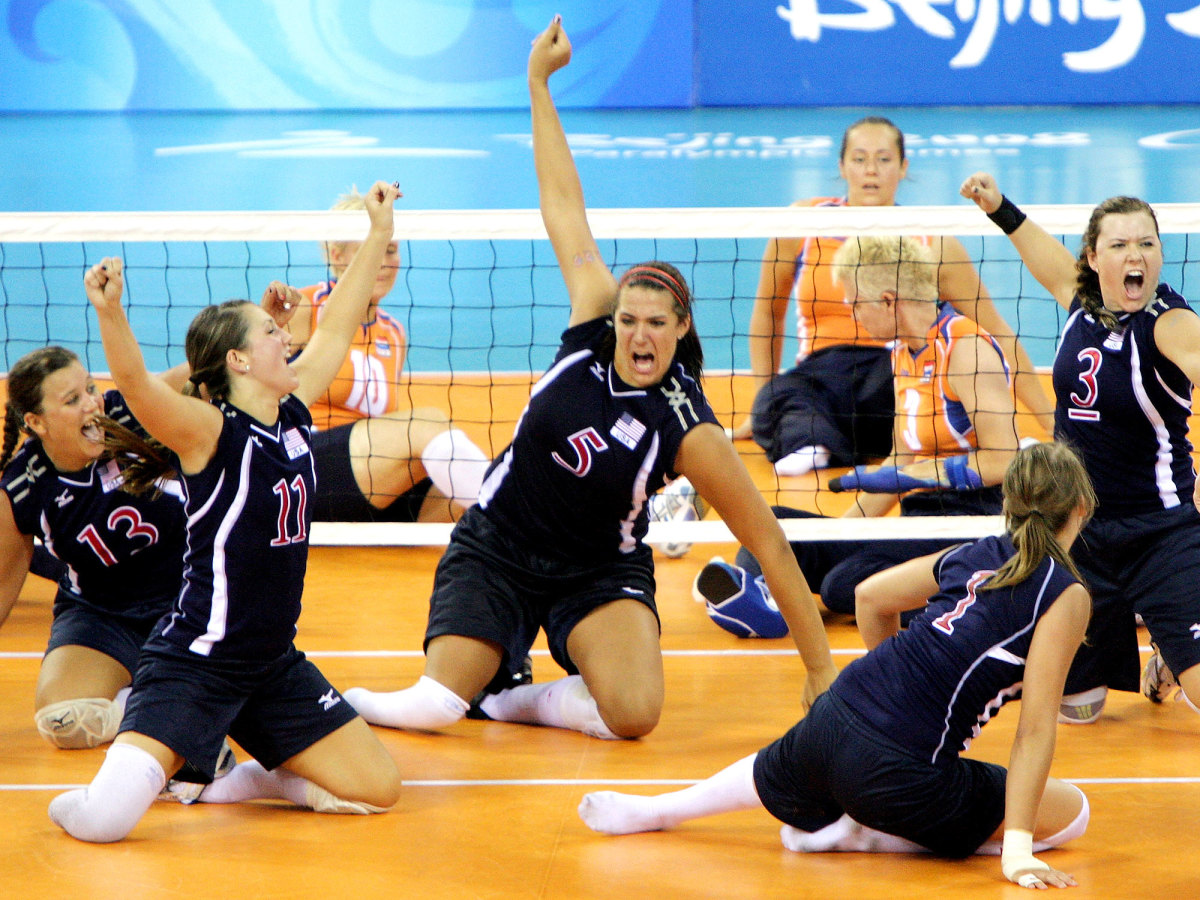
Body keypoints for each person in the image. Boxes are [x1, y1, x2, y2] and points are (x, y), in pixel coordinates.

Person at [340, 17, 838, 742]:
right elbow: (563, 206)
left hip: (598, 571)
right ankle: (422, 686)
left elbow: (765, 537)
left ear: (681, 331)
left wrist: (821, 667)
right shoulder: (590, 324)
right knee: (433, 708)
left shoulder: (687, 426)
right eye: (630, 319)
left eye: (656, 324)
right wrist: (539, 85)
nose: (638, 334)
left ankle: (516, 699)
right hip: (498, 544)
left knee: (634, 715)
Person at [48, 181, 404, 844]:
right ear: (239, 359)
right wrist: (110, 313)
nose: (287, 334)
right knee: (102, 824)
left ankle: (223, 777)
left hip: (271, 662)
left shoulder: (291, 415)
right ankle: (141, 760)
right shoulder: (211, 432)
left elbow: (336, 321)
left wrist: (378, 232)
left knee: (378, 790)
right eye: (272, 332)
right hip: (196, 660)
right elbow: (137, 389)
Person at [581, 441, 1095, 891]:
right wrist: (1019, 849)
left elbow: (870, 598)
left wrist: (892, 691)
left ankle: (659, 809)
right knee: (1073, 814)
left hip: (835, 712)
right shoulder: (1065, 594)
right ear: (1080, 507)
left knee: (777, 767)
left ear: (1008, 503)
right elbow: (1033, 732)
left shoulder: (975, 552)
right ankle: (868, 835)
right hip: (896, 778)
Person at [961, 172, 1200, 725]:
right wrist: (999, 207)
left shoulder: (1170, 324)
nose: (1134, 255)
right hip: (1079, 533)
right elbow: (1044, 257)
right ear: (1094, 258)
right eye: (1118, 245)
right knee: (1078, 708)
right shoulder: (1081, 303)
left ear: (1160, 252)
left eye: (1146, 243)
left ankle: (1171, 649)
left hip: (1159, 528)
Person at [695, 234, 1019, 628]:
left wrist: (924, 474)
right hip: (917, 522)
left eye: (855, 302)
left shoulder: (966, 349)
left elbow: (1007, 461)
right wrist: (843, 531)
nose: (852, 314)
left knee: (841, 586)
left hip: (970, 526)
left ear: (887, 300)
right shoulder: (903, 353)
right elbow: (901, 460)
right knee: (776, 526)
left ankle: (980, 595)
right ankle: (760, 600)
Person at [735, 116, 1052, 478]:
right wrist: (762, 401)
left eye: (884, 159)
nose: (871, 170)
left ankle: (1001, 443)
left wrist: (1050, 422)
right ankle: (812, 443)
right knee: (780, 397)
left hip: (893, 374)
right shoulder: (801, 224)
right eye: (859, 159)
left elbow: (996, 332)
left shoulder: (934, 243)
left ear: (903, 167)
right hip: (820, 376)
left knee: (928, 406)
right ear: (841, 167)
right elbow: (767, 314)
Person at [0, 347, 187, 750]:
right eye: (72, 400)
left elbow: (205, 365)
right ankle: (160, 704)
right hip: (102, 615)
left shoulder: (133, 414)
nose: (92, 404)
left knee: (246, 700)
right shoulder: (23, 489)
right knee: (63, 722)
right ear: (36, 422)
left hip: (189, 601)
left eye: (89, 388)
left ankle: (174, 697)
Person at [287, 189, 491, 523]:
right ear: (337, 256)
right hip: (302, 465)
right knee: (427, 425)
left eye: (391, 250)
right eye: (371, 251)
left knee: (463, 486)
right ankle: (522, 533)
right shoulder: (305, 307)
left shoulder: (393, 333)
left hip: (361, 479)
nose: (383, 262)